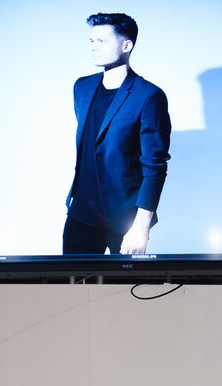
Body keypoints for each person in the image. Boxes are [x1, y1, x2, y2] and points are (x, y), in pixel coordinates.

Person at [63, 13, 171, 255]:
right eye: (92, 41)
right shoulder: (82, 87)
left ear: (126, 45)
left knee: (126, 279)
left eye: (102, 41)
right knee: (71, 279)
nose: (93, 47)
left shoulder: (149, 96)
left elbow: (155, 165)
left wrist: (141, 226)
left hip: (124, 218)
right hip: (81, 213)